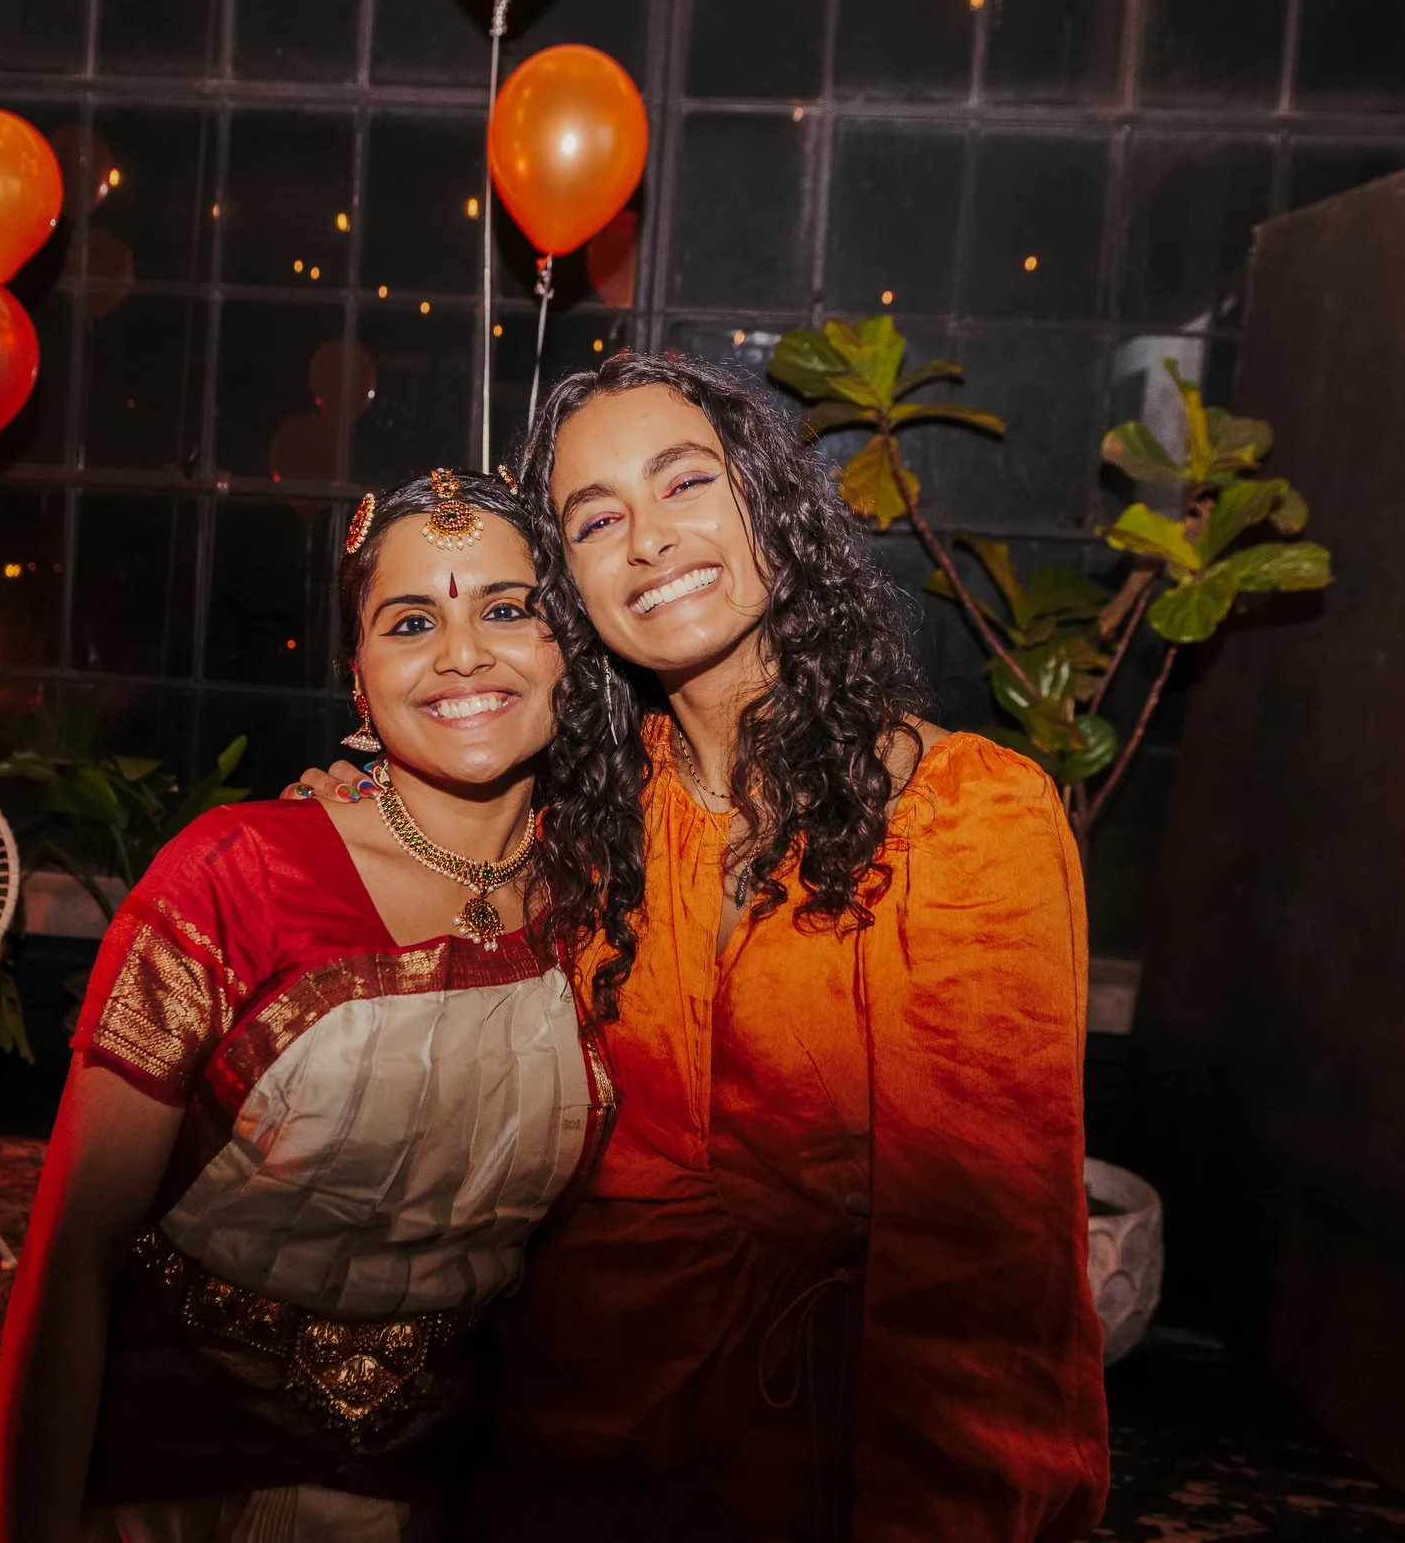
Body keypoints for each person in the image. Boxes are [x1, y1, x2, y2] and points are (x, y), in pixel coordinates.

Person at [301, 353, 1107, 1541]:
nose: (649, 542)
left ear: (769, 508)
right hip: (566, 1440)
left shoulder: (963, 817)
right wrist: (358, 806)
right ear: (569, 582)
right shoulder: (593, 815)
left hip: (824, 1465)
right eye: (596, 518)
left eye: (685, 484)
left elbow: (981, 1291)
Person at [0, 470, 609, 1543]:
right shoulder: (238, 875)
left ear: (571, 649)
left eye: (507, 608)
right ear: (357, 680)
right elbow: (72, 1258)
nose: (463, 653)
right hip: (175, 1488)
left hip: (453, 1491)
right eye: (412, 621)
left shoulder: (608, 893)